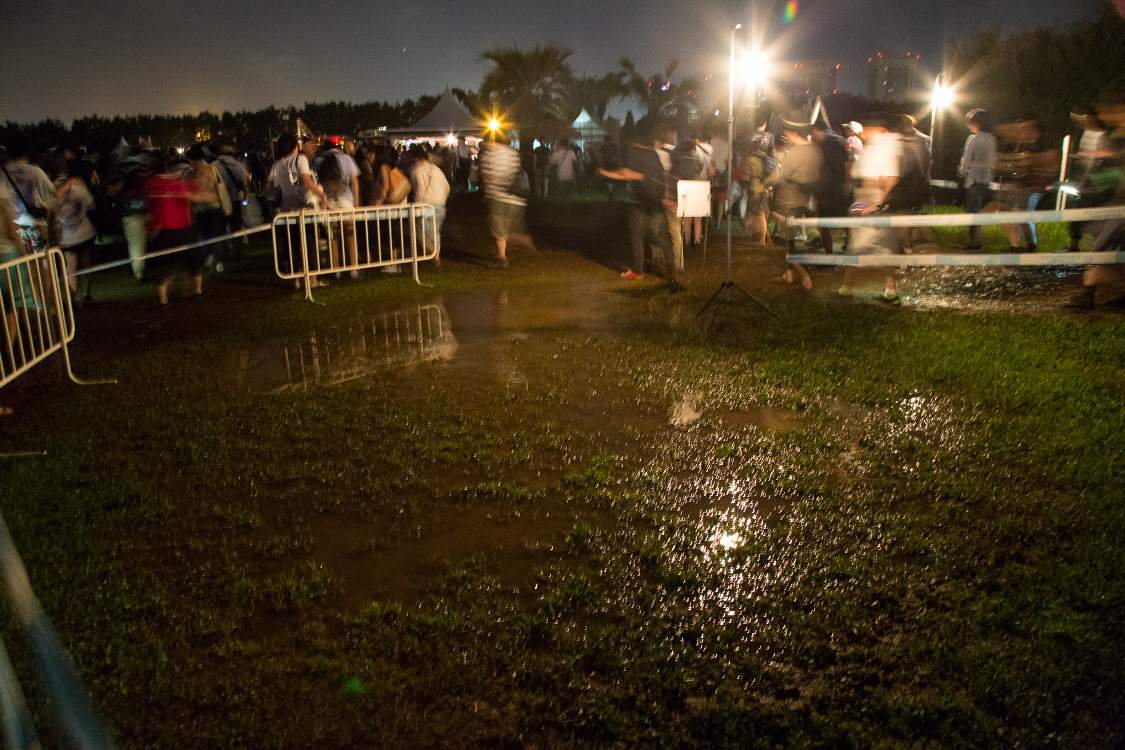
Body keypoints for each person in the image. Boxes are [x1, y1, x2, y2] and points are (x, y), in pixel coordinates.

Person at [599, 120, 680, 287]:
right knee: (661, 234)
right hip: (656, 198)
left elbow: (631, 173)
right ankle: (671, 265)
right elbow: (663, 174)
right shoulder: (654, 154)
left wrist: (610, 174)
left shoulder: (634, 152)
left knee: (636, 233)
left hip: (642, 198)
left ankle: (637, 270)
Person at [144, 152, 210, 307]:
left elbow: (148, 207)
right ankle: (198, 291)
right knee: (193, 261)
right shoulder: (177, 183)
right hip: (184, 227)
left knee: (164, 266)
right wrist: (207, 196)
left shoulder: (149, 184)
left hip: (162, 231)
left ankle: (163, 300)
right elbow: (195, 196)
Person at [265, 133, 328, 288]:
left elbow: (268, 189)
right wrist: (322, 195)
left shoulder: (277, 165)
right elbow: (306, 181)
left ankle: (296, 279)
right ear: (295, 146)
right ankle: (312, 279)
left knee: (292, 245)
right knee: (309, 243)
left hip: (286, 211)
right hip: (303, 208)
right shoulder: (300, 159)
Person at [1056, 104, 1115, 253]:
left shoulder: (1104, 134)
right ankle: (1077, 244)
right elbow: (1083, 157)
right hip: (1085, 179)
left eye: (1081, 118)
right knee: (1079, 211)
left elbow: (1108, 155)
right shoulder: (1083, 134)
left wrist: (1094, 157)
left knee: (1092, 213)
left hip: (1100, 180)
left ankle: (1093, 245)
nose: (1080, 122)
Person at [774, 119, 823, 290]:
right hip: (804, 200)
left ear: (794, 133)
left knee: (790, 241)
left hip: (789, 200)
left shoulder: (795, 152)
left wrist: (769, 181)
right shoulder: (815, 150)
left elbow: (781, 175)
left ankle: (804, 276)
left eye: (787, 133)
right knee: (792, 239)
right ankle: (788, 275)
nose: (786, 137)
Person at [479, 136, 530, 268]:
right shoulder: (513, 154)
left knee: (498, 229)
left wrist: (487, 192)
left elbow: (486, 176)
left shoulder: (490, 154)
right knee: (505, 228)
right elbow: (515, 174)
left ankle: (502, 257)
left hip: (497, 197)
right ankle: (513, 244)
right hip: (514, 198)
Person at [0, 140, 57, 253]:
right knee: (41, 258)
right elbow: (53, 195)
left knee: (27, 260)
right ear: (27, 154)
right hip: (36, 225)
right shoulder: (35, 171)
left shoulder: (2, 173)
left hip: (16, 227)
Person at [313, 140, 361, 275]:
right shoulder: (346, 158)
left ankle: (336, 270)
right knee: (350, 235)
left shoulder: (318, 161)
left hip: (329, 203)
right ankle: (353, 269)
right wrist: (356, 204)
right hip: (346, 202)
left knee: (333, 238)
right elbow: (355, 182)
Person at [55, 159, 98, 304]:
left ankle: (72, 298)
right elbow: (91, 205)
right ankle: (86, 292)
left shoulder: (55, 186)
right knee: (86, 263)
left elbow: (51, 207)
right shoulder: (79, 185)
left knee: (70, 267)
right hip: (84, 232)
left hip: (66, 236)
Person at [105, 149, 152, 280]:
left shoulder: (124, 177)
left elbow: (110, 191)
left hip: (132, 214)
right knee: (137, 244)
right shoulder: (134, 178)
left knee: (137, 244)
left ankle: (140, 271)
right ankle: (139, 273)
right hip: (134, 214)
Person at [958, 108, 997, 251]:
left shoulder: (973, 139)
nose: (968, 125)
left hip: (973, 181)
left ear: (976, 123)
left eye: (969, 122)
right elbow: (992, 162)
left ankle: (974, 243)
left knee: (972, 213)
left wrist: (961, 171)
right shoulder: (992, 139)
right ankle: (977, 241)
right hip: (986, 181)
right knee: (979, 213)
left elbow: (966, 163)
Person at [186, 145, 230, 270]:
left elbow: (188, 193)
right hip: (212, 207)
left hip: (204, 209)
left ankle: (212, 258)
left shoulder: (191, 174)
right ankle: (215, 260)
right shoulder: (211, 169)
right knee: (212, 236)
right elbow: (221, 186)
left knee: (208, 236)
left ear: (193, 159)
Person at [809, 122, 850, 254]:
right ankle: (850, 248)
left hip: (829, 188)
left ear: (816, 131)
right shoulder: (838, 140)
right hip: (839, 187)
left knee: (824, 223)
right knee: (844, 220)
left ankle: (829, 253)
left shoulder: (828, 144)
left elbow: (826, 169)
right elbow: (847, 164)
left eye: (812, 133)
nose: (811, 136)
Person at [410, 147, 451, 268]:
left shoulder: (417, 169)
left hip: (427, 204)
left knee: (420, 231)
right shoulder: (435, 169)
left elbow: (420, 190)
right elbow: (446, 186)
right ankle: (436, 256)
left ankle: (432, 254)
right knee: (434, 231)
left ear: (415, 158)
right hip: (440, 204)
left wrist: (417, 204)